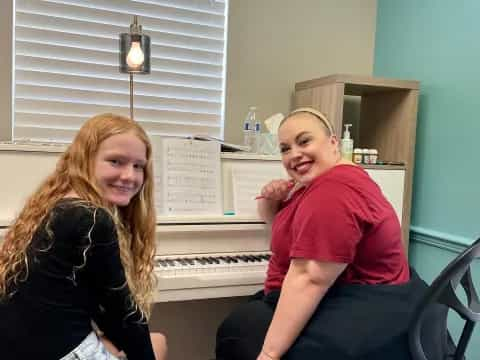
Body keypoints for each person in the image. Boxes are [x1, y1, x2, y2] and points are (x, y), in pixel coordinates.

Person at [216, 108, 429, 360]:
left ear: (333, 143)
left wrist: (269, 355)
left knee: (234, 330)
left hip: (356, 310)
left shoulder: (333, 191)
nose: (294, 154)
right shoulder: (316, 183)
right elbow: (277, 224)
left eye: (304, 141)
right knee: (245, 316)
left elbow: (310, 278)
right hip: (354, 300)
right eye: (285, 148)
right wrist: (273, 199)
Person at [0, 113, 167, 360]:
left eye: (138, 166)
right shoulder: (90, 217)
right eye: (115, 161)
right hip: (57, 352)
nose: (130, 176)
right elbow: (122, 315)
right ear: (85, 160)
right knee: (157, 344)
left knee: (145, 340)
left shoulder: (57, 205)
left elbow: (102, 308)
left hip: (24, 347)